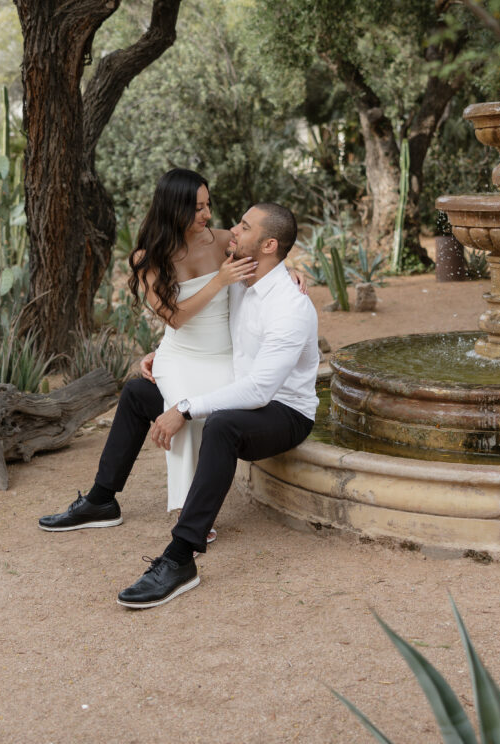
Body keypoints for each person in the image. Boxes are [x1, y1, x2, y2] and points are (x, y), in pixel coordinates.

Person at [40, 201, 319, 609]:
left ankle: (181, 557)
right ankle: (102, 499)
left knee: (223, 426)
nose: (232, 231)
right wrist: (164, 355)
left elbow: (260, 391)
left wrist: (185, 408)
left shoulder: (290, 307)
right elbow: (203, 325)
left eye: (243, 226)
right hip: (237, 387)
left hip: (284, 411)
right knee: (139, 394)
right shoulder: (243, 277)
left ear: (269, 244)